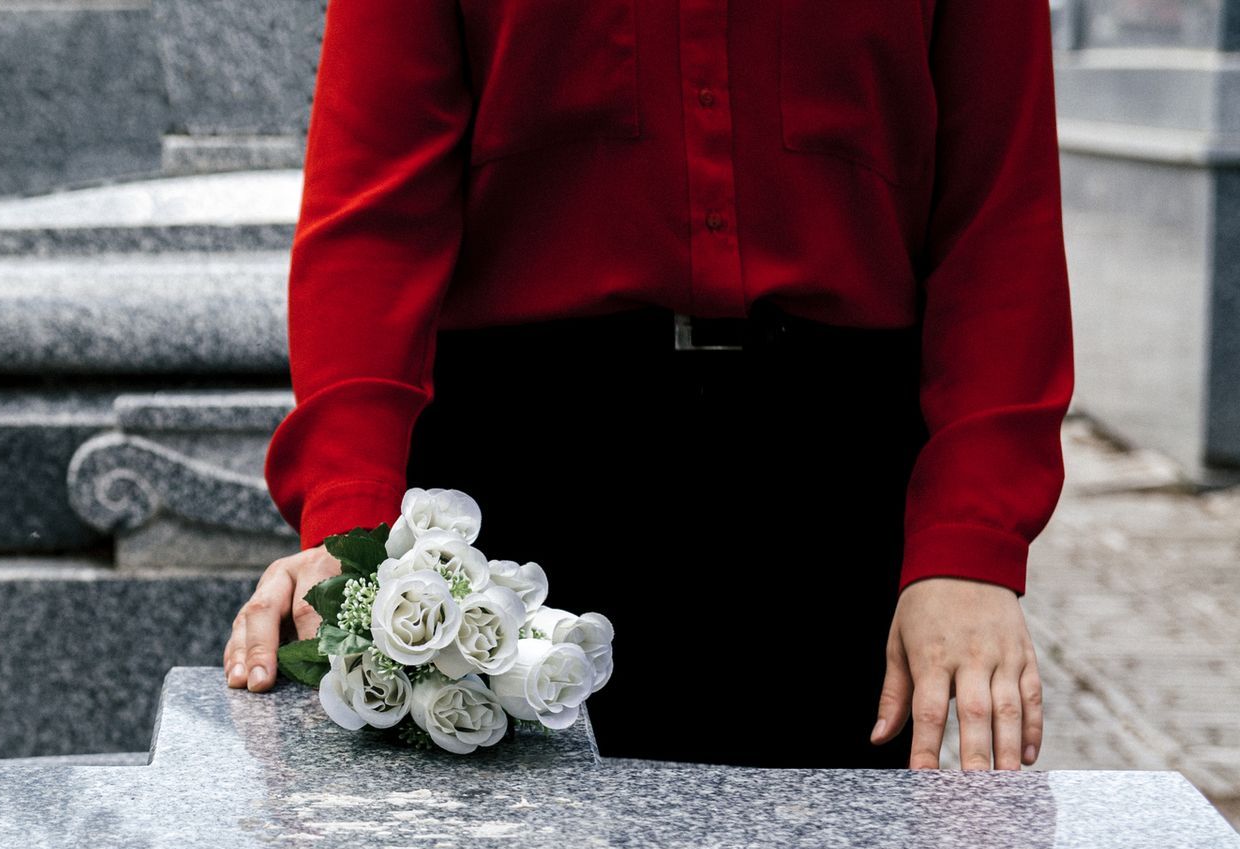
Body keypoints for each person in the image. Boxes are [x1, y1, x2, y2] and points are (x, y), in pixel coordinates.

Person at [222, 0, 1073, 773]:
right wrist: (355, 530)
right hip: (523, 498)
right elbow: (374, 211)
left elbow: (1000, 214)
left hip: (836, 496)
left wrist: (969, 542)